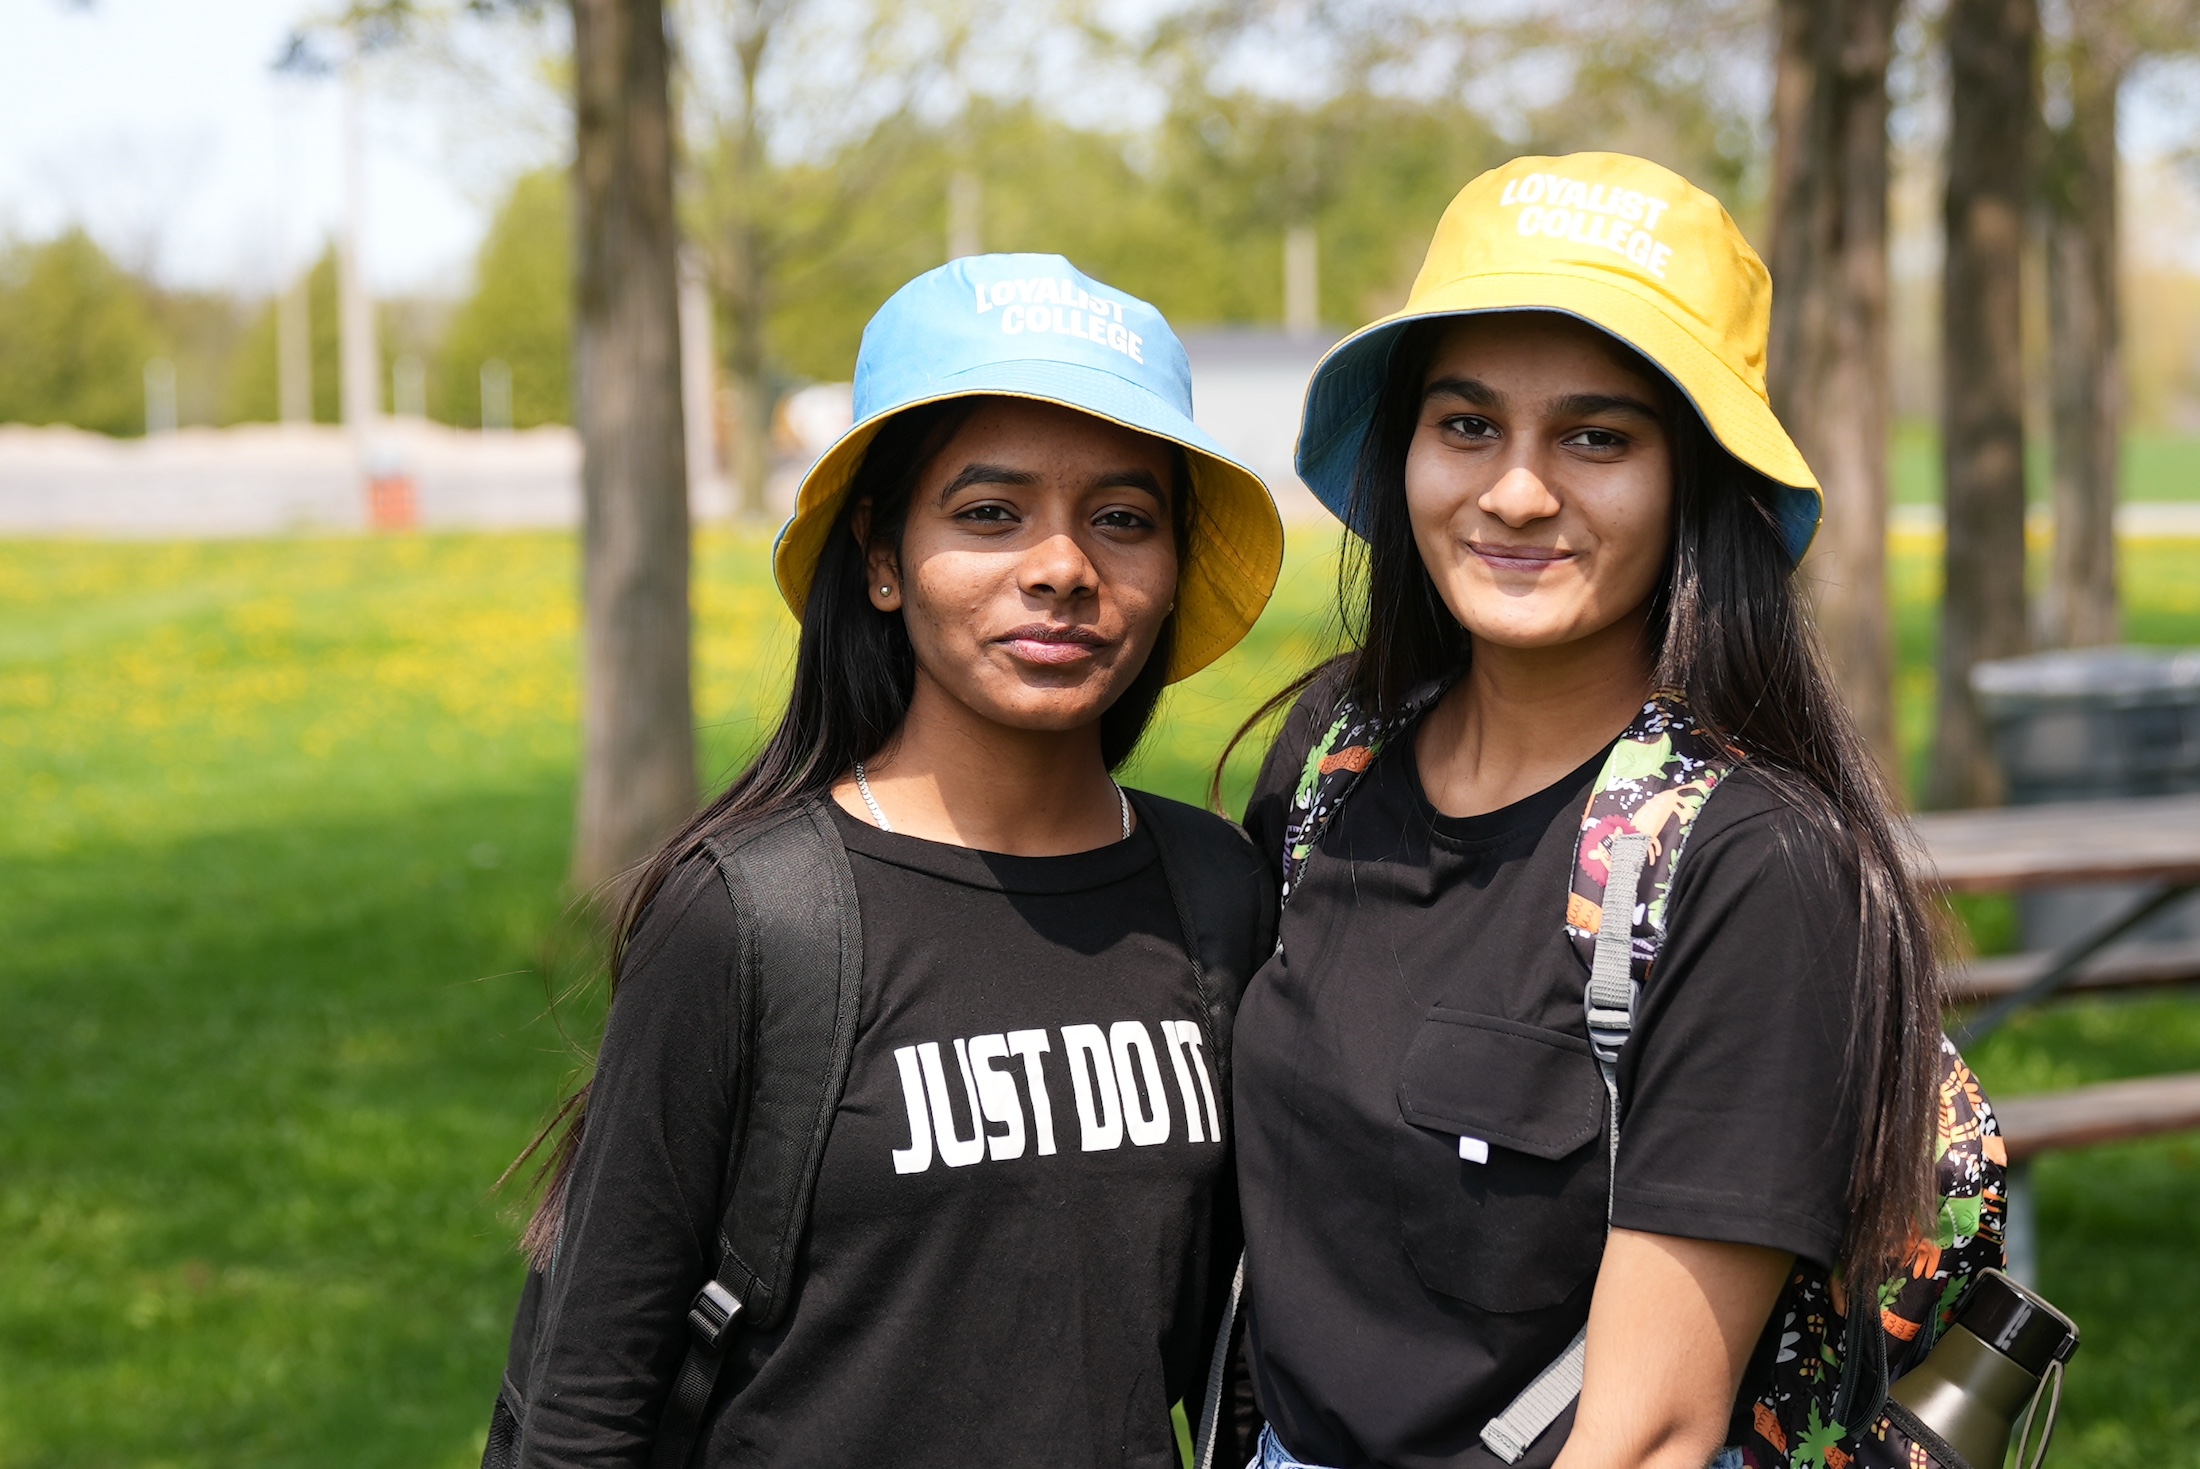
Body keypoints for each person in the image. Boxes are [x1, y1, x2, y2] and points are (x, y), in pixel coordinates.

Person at [498, 253, 1283, 1468]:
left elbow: (1244, 1349)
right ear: (877, 556)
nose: (1063, 566)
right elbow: (586, 1400)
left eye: (1122, 518)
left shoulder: (1218, 892)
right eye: (989, 512)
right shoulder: (751, 915)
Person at [1229, 154, 1946, 1469]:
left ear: (1696, 480)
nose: (1515, 491)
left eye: (1597, 437)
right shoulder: (1330, 761)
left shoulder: (1747, 866)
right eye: (1466, 425)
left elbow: (1653, 1435)